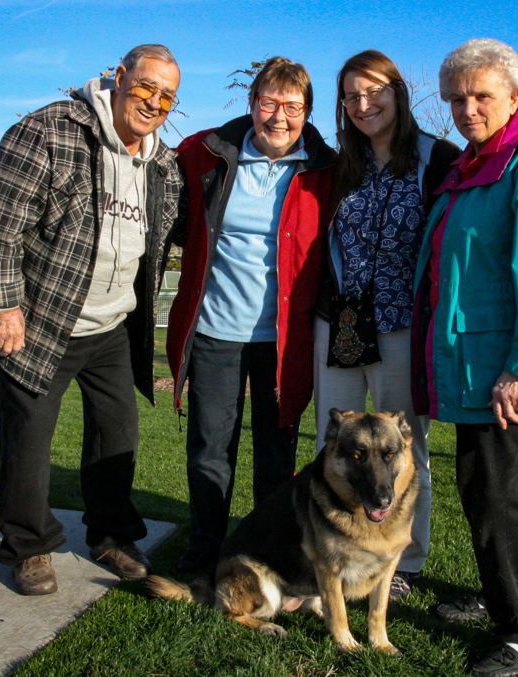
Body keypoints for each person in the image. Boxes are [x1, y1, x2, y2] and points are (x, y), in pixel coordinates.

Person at [0, 44, 184, 596]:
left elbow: (178, 228)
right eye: (144, 87)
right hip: (40, 321)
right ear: (119, 78)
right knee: (29, 444)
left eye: (166, 96)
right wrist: (4, 304)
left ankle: (110, 536)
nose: (153, 102)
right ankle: (28, 547)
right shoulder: (49, 131)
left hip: (112, 327)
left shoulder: (161, 163)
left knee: (117, 435)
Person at [411, 39, 518, 676]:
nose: (467, 107)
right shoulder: (475, 164)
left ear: (516, 94)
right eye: (456, 97)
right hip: (476, 362)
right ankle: (496, 599)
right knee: (481, 489)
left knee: (496, 496)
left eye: (481, 95)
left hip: (507, 370)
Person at [166, 57, 335, 576]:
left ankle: (267, 550)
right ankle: (206, 543)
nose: (279, 117)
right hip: (217, 330)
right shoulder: (205, 153)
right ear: (250, 105)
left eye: (293, 106)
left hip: (282, 341)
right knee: (209, 449)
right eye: (268, 103)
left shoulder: (325, 171)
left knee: (275, 457)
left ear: (307, 112)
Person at [313, 50, 459, 601]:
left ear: (398, 92)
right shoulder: (338, 165)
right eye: (351, 96)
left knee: (404, 446)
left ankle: (404, 562)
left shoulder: (437, 158)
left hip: (403, 324)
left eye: (374, 92)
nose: (363, 104)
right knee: (337, 440)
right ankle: (337, 548)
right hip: (344, 323)